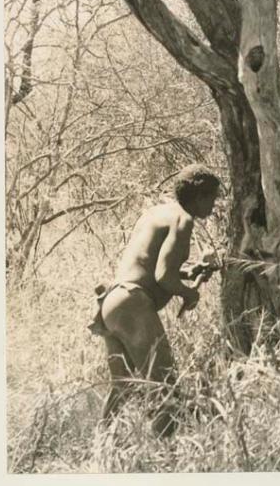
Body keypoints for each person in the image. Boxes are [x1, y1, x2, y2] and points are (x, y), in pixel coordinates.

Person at [92, 164, 221, 432]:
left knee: (123, 388)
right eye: (212, 198)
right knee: (167, 391)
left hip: (112, 302)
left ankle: (101, 452)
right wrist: (189, 293)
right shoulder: (183, 219)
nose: (213, 205)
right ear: (199, 197)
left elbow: (151, 266)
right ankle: (166, 461)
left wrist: (189, 271)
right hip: (133, 305)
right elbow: (164, 277)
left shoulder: (156, 212)